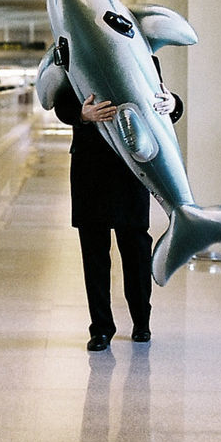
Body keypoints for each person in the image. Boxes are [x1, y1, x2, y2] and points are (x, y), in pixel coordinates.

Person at [54, 66, 182, 351]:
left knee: (135, 247)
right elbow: (60, 102)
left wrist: (173, 103)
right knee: (94, 251)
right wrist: (81, 115)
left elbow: (161, 98)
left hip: (131, 166)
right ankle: (100, 328)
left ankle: (141, 322)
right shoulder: (74, 49)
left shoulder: (143, 53)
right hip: (89, 166)